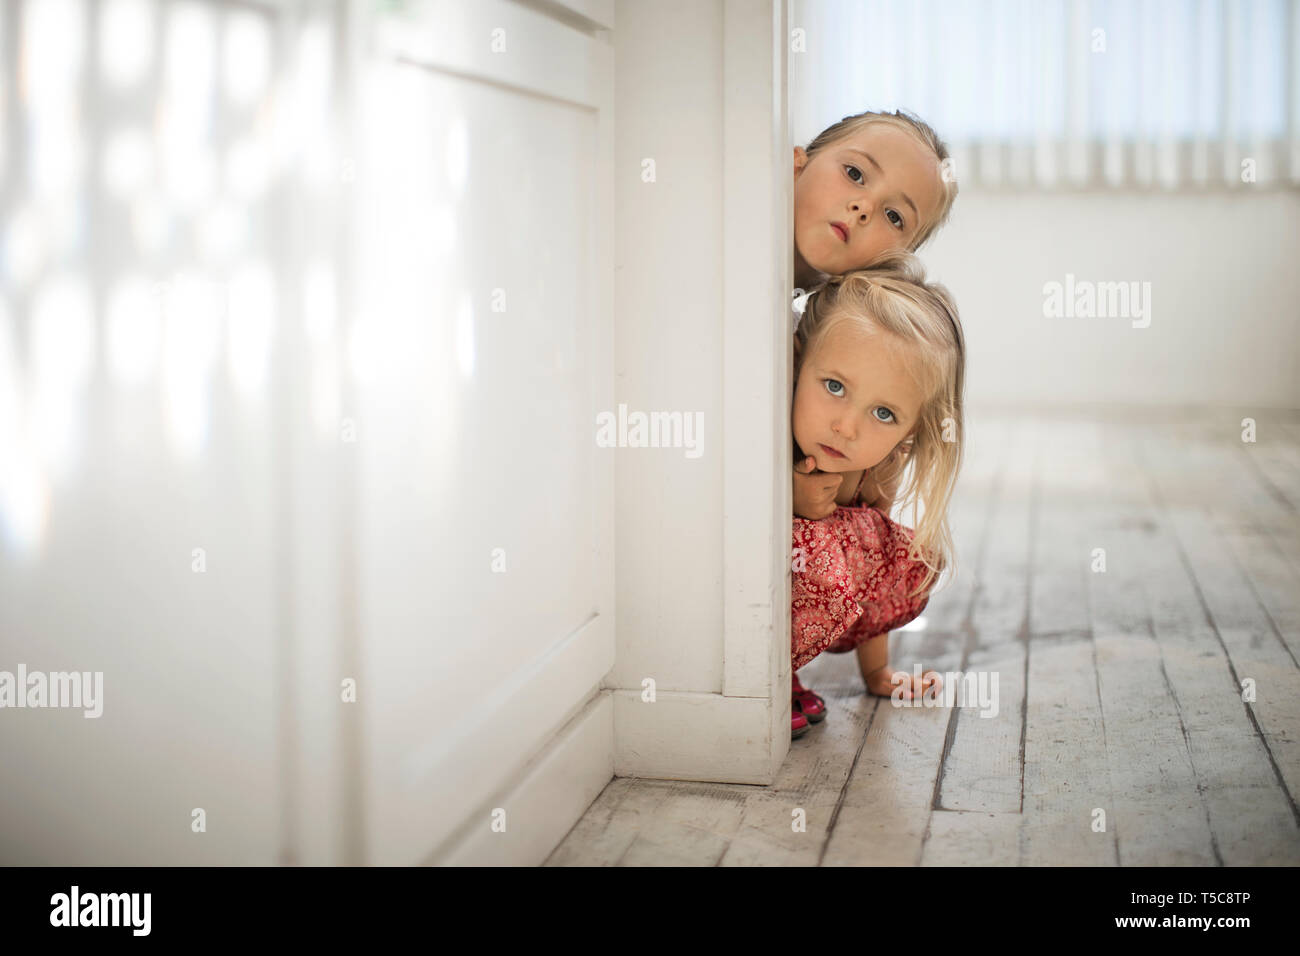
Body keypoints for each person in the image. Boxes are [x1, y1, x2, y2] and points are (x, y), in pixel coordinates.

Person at [788, 251, 965, 738]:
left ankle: (786, 672)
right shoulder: (768, 428)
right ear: (799, 359)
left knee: (898, 550)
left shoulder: (880, 465)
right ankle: (773, 678)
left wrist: (876, 675)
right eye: (834, 386)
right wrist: (792, 503)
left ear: (911, 430)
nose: (846, 427)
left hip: (816, 595)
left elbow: (878, 568)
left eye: (883, 413)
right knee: (814, 549)